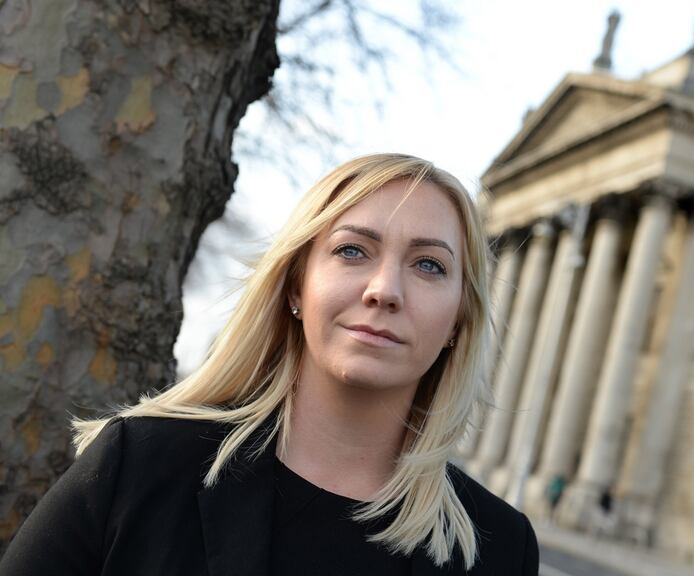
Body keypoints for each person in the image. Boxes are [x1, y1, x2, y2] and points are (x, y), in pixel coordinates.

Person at [0, 153, 539, 575]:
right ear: (295, 287)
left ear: (458, 323)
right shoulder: (139, 463)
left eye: (428, 265)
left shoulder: (499, 546)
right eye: (353, 250)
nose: (385, 290)